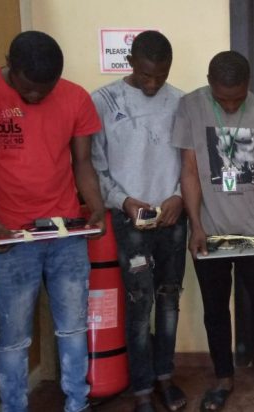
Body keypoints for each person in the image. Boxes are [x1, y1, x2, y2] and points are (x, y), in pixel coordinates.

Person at [0, 31, 105, 412]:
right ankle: (14, 407)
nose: (35, 97)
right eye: (28, 88)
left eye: (45, 90)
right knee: (13, 338)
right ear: (9, 65)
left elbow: (83, 163)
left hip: (65, 232)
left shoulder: (75, 97)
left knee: (74, 327)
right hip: (10, 236)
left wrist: (95, 205)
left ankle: (77, 403)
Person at [173, 50, 254, 412]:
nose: (230, 106)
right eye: (222, 99)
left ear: (248, 85)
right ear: (210, 84)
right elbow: (189, 169)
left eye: (237, 99)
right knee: (215, 310)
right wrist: (195, 226)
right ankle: (223, 378)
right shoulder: (190, 106)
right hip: (209, 231)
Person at [91, 31, 187, 412]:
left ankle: (165, 376)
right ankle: (142, 388)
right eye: (146, 74)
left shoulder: (180, 102)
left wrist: (179, 195)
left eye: (161, 75)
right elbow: (95, 167)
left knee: (169, 298)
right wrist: (123, 201)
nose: (153, 83)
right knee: (139, 302)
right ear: (130, 62)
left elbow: (190, 161)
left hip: (172, 217)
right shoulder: (104, 101)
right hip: (129, 220)